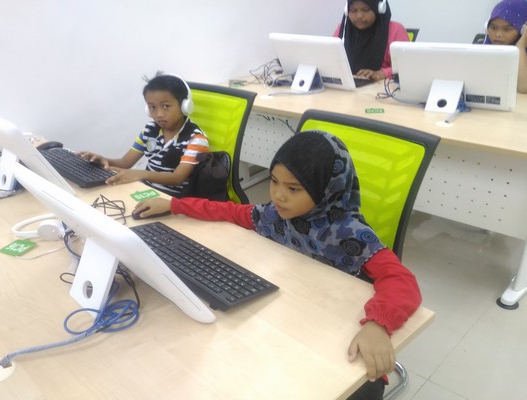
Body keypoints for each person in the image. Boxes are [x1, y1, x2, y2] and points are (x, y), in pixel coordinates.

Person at [134, 131, 422, 400]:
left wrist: (378, 325)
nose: (278, 196)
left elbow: (401, 279)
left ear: (326, 188)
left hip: (335, 334)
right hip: (294, 317)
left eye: (293, 188)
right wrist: (174, 205)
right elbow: (231, 211)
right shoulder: (275, 215)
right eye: (274, 181)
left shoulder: (348, 233)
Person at [78, 73, 210, 197]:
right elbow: (125, 163)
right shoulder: (149, 130)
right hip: (146, 190)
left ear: (184, 106)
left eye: (166, 106)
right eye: (152, 107)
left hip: (172, 199)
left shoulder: (196, 139)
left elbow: (177, 178)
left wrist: (140, 174)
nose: (159, 114)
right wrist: (103, 161)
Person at [333, 0, 409, 81]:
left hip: (382, 86)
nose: (359, 16)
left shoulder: (396, 30)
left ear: (379, 9)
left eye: (365, 10)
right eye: (353, 10)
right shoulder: (343, 30)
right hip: (346, 85)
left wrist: (383, 73)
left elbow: (407, 65)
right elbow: (331, 59)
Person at [483, 0, 527, 93]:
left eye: (507, 30)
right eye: (493, 28)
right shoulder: (478, 48)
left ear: (523, 30)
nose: (498, 34)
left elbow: (524, 87)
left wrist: (520, 47)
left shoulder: (524, 54)